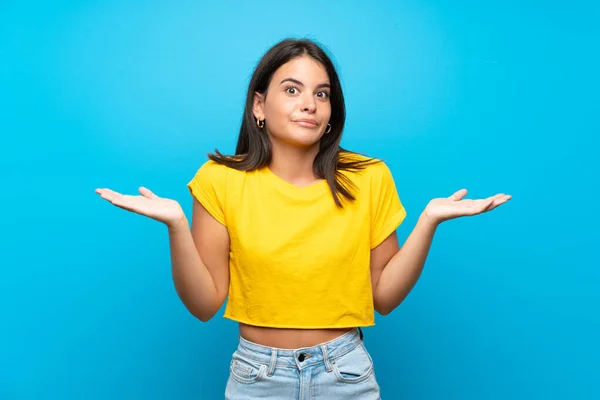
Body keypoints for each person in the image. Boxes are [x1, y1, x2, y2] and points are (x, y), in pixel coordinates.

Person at [96, 38, 511, 399]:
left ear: (332, 111)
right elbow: (204, 304)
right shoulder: (220, 180)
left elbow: (383, 297)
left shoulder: (368, 177)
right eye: (292, 90)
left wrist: (429, 221)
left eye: (322, 93)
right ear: (259, 105)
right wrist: (176, 226)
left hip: (345, 374)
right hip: (258, 377)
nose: (309, 104)